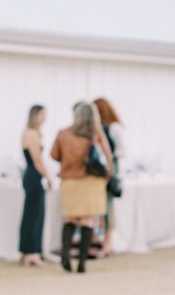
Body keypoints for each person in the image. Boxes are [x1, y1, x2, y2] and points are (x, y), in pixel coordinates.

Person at [50, 102, 112, 273]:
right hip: (91, 182)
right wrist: (108, 175)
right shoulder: (96, 133)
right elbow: (108, 156)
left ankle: (65, 256)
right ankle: (82, 262)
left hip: (69, 181)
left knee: (70, 219)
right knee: (87, 221)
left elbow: (54, 155)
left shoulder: (63, 134)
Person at [19, 105, 53, 267]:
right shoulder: (31, 134)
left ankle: (28, 252)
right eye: (42, 115)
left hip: (31, 176)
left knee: (31, 214)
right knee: (35, 215)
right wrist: (49, 177)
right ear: (35, 116)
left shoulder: (28, 132)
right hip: (34, 176)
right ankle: (31, 252)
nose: (44, 118)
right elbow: (37, 161)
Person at [93, 97, 124, 256]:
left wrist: (111, 169)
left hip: (110, 170)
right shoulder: (100, 128)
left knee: (108, 206)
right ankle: (103, 241)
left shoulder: (114, 128)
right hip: (102, 170)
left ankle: (107, 242)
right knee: (102, 206)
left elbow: (121, 151)